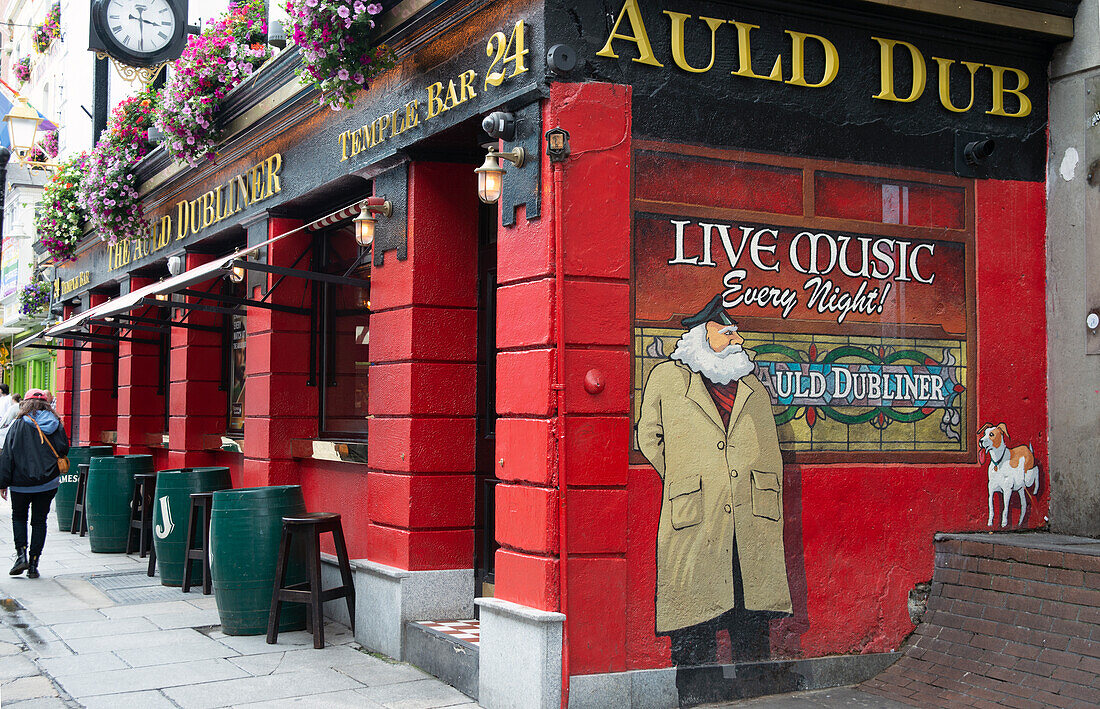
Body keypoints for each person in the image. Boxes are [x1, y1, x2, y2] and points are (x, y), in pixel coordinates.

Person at [638, 294, 791, 666]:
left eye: (736, 334)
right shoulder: (667, 378)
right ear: (702, 335)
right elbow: (648, 437)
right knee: (695, 612)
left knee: (750, 609)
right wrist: (684, 475)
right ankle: (696, 692)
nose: (738, 341)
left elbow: (769, 448)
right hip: (696, 512)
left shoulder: (750, 386)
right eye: (727, 333)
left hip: (750, 514)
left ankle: (754, 685)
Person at [0, 389, 69, 578]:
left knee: (19, 517)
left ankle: (21, 555)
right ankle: (33, 564)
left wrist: (3, 483)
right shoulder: (56, 424)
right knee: (40, 521)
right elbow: (64, 449)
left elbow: (7, 455)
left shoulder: (17, 425)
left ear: (26, 404)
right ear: (46, 404)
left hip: (20, 483)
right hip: (47, 483)